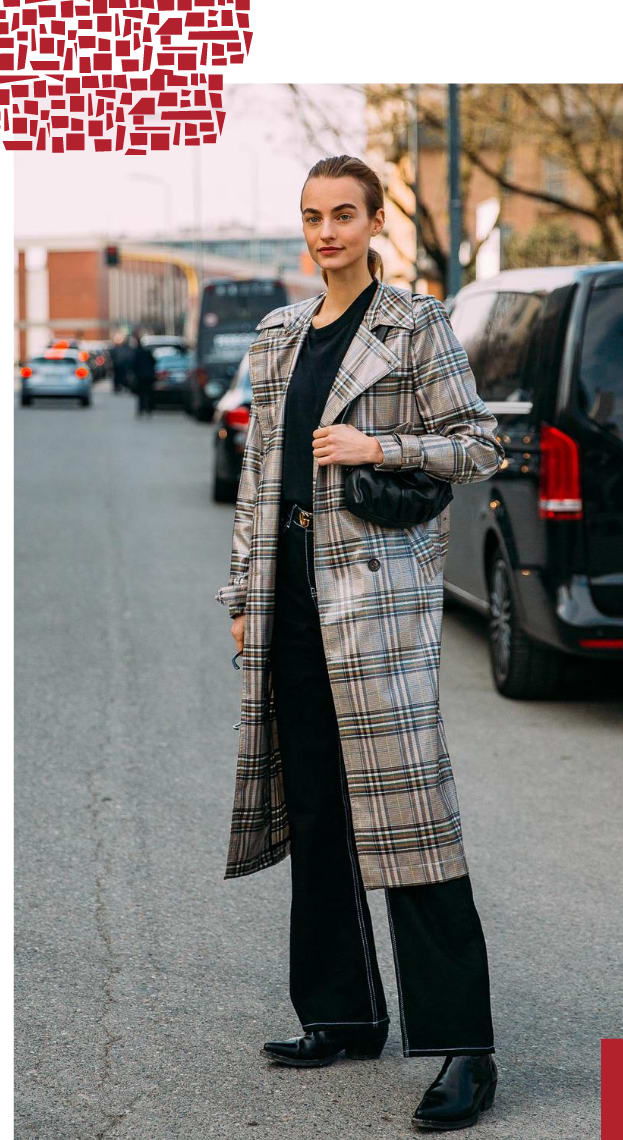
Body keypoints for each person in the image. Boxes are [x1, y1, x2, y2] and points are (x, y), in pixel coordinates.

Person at [215, 155, 505, 1131]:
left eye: (345, 214)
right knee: (320, 819)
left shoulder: (414, 324)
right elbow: (259, 479)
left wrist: (378, 446)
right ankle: (341, 1014)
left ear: (376, 221)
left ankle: (465, 1051)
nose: (327, 232)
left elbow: (476, 444)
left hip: (376, 608)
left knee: (413, 820)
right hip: (289, 602)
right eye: (312, 217)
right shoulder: (276, 337)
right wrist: (241, 596)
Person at [131, 332, 156, 416]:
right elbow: (154, 362)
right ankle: (148, 409)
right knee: (148, 393)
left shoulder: (136, 353)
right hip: (149, 376)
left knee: (141, 394)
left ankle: (141, 409)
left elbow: (133, 365)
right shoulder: (147, 352)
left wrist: (134, 374)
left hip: (140, 376)